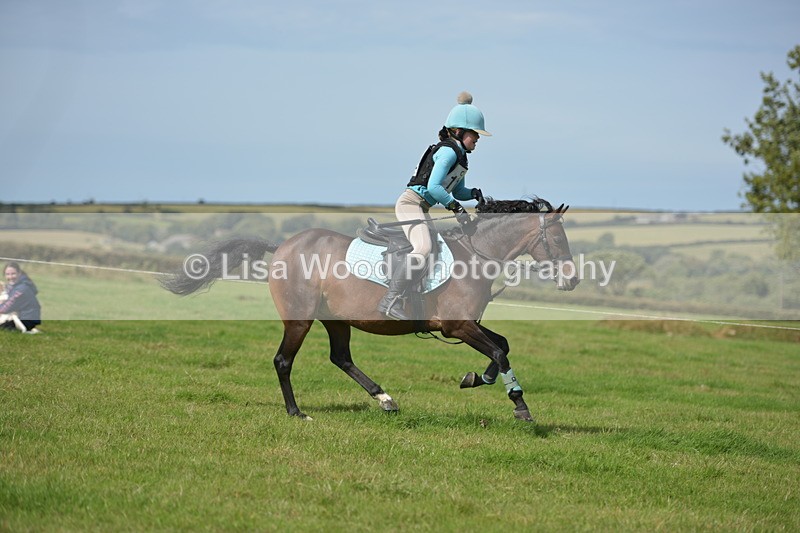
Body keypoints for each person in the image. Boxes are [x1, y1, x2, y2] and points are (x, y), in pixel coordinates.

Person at [377, 91, 490, 320]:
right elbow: (434, 187)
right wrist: (456, 208)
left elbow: (456, 191)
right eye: (474, 134)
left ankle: (416, 299)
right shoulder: (448, 152)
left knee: (437, 250)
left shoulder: (460, 157)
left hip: (423, 207)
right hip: (411, 204)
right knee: (423, 249)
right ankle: (389, 301)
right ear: (459, 132)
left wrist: (473, 194)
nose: (477, 139)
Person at [0, 262, 42, 333]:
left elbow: (7, 306)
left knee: (3, 328)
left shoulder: (21, 289)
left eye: (13, 274)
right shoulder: (15, 285)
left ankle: (28, 330)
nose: (10, 277)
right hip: (24, 317)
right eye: (7, 274)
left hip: (26, 318)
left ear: (19, 273)